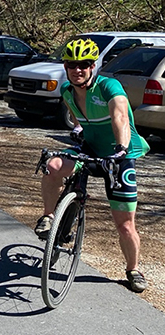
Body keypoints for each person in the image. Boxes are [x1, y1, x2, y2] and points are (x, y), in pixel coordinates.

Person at [34, 38, 150, 293]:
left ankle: (133, 269)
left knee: (125, 225)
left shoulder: (109, 86)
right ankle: (49, 216)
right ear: (65, 66)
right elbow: (77, 116)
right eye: (72, 64)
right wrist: (78, 128)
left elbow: (119, 115)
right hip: (90, 147)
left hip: (119, 154)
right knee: (52, 165)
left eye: (84, 64)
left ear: (93, 66)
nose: (78, 69)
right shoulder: (67, 90)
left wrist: (120, 149)